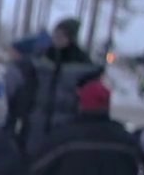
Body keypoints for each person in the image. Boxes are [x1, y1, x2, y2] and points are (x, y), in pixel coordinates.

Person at [9, 18, 102, 156]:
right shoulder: (42, 58)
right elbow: (28, 89)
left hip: (66, 125)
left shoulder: (83, 65)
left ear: (71, 38)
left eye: (62, 35)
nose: (57, 38)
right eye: (55, 34)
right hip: (36, 124)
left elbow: (89, 97)